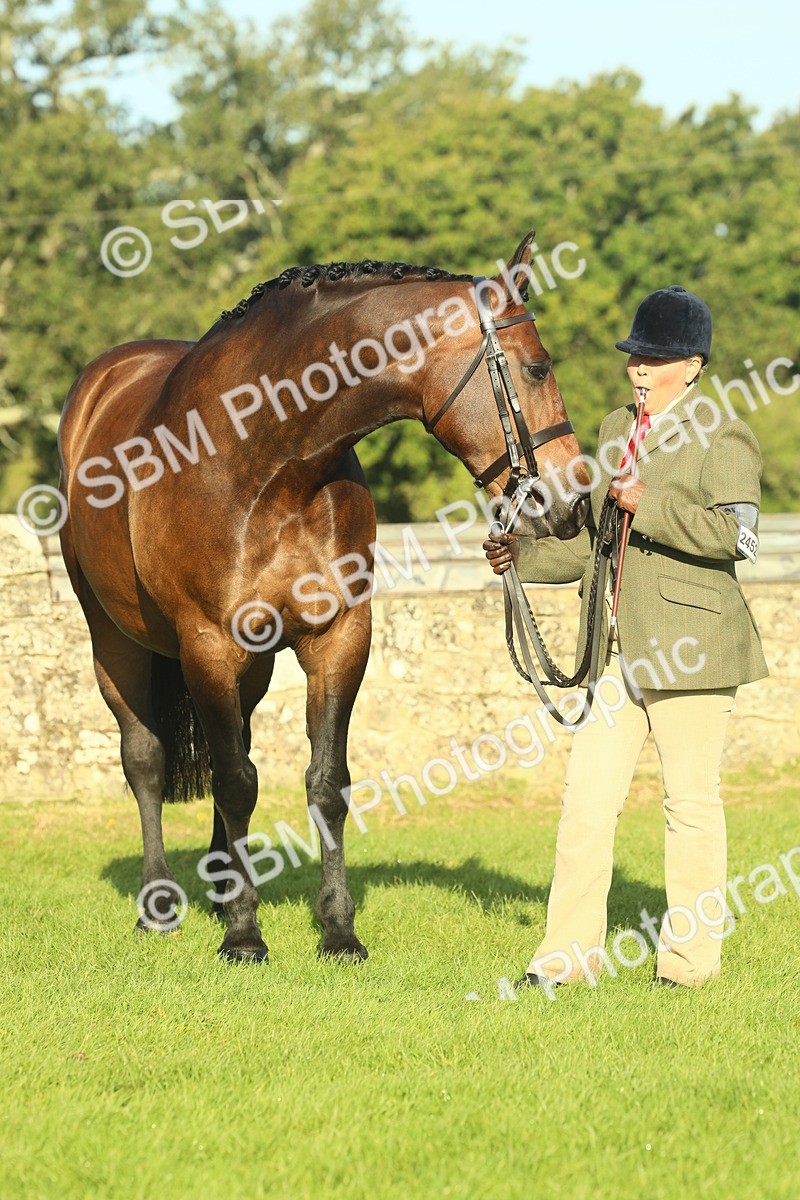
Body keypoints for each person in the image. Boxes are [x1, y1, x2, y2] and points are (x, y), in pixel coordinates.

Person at [484, 285, 768, 990]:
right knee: (585, 804)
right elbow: (596, 545)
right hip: (613, 653)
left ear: (693, 364)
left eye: (656, 359)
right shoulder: (615, 429)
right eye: (635, 357)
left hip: (693, 651)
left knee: (690, 809)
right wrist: (523, 555)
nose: (639, 370)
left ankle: (689, 965)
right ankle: (565, 958)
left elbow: (740, 537)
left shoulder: (724, 432)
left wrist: (657, 504)